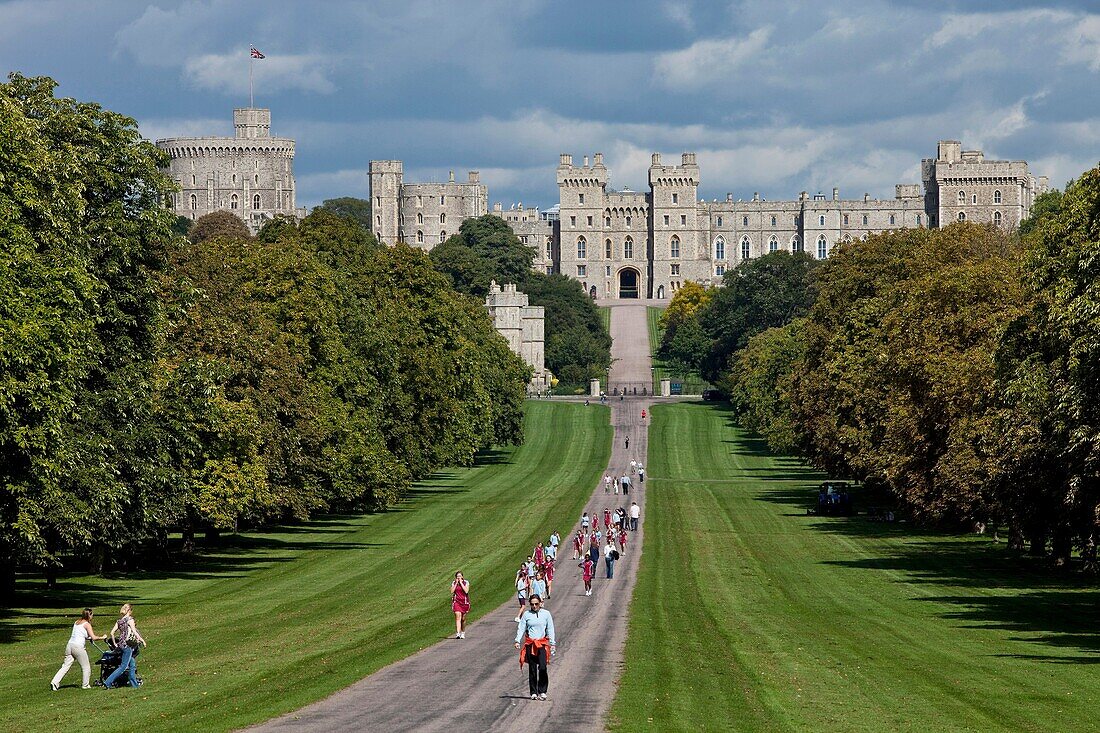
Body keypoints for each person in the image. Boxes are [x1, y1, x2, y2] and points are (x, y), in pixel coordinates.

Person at [50, 608, 105, 691]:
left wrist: (88, 638)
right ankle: (85, 685)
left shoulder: (77, 622)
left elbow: (83, 635)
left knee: (65, 666)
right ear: (89, 615)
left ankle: (55, 682)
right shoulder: (87, 624)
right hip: (78, 647)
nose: (92, 616)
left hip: (70, 646)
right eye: (92, 615)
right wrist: (102, 637)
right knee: (86, 666)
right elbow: (93, 637)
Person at [515, 594, 556, 701]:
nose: (534, 606)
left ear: (540, 603)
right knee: (532, 669)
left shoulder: (546, 614)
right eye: (532, 604)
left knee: (542, 667)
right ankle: (533, 692)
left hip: (542, 644)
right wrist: (517, 640)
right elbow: (521, 628)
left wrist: (552, 643)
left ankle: (542, 690)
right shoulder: (527, 615)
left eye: (536, 604)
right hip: (530, 644)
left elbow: (550, 628)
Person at [103, 603, 146, 689]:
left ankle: (135, 685)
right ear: (129, 611)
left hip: (121, 644)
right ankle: (108, 682)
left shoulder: (119, 621)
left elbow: (112, 633)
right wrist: (142, 640)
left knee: (132, 664)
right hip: (127, 645)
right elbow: (134, 632)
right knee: (123, 666)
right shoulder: (130, 620)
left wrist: (115, 643)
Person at [451, 572, 471, 639]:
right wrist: (456, 583)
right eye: (457, 576)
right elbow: (451, 591)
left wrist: (461, 583)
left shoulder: (466, 582)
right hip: (457, 602)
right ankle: (458, 633)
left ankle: (463, 632)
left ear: (462, 576)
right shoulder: (454, 583)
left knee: (463, 618)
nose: (458, 577)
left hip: (464, 602)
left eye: (460, 576)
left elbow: (466, 591)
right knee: (457, 616)